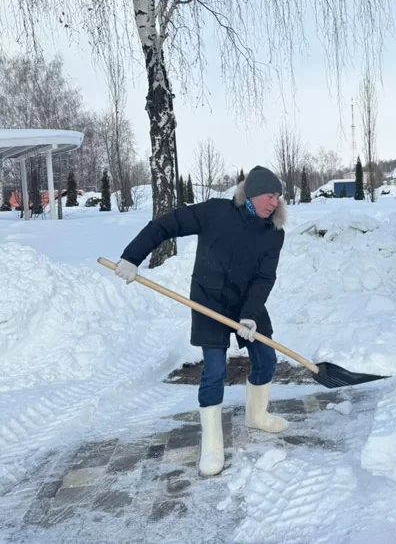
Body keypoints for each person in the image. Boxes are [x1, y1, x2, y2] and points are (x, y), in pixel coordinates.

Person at [113, 166, 288, 477]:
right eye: (269, 195)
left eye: (278, 197)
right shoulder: (215, 212)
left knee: (266, 359)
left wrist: (249, 314)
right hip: (210, 299)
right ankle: (212, 444)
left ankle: (257, 416)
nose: (274, 202)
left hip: (249, 301)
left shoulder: (274, 233)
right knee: (214, 371)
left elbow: (264, 277)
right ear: (251, 193)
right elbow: (165, 226)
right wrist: (131, 257)